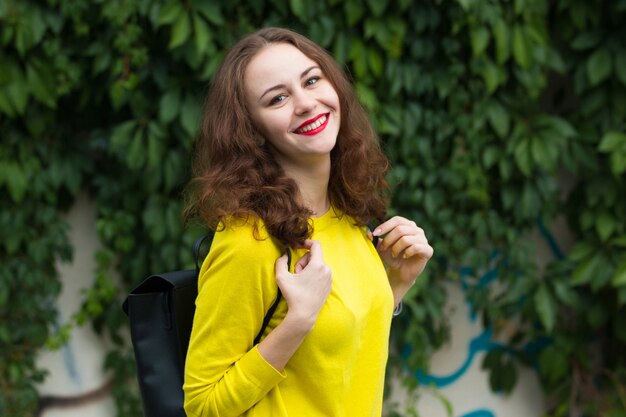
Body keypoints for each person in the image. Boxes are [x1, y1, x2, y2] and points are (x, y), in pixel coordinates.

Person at [182, 27, 433, 417]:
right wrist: (297, 320)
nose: (305, 103)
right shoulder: (248, 240)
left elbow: (339, 356)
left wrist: (397, 283)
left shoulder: (347, 217)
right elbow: (201, 406)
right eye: (277, 98)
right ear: (252, 131)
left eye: (312, 80)